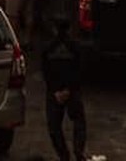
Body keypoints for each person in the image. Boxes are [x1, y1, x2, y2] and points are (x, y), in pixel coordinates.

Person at [42, 18, 88, 161]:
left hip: (54, 92)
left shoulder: (48, 48)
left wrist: (56, 91)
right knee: (79, 121)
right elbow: (80, 70)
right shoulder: (75, 47)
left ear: (54, 29)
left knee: (54, 127)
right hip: (72, 91)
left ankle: (64, 156)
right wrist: (69, 89)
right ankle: (78, 151)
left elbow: (46, 72)